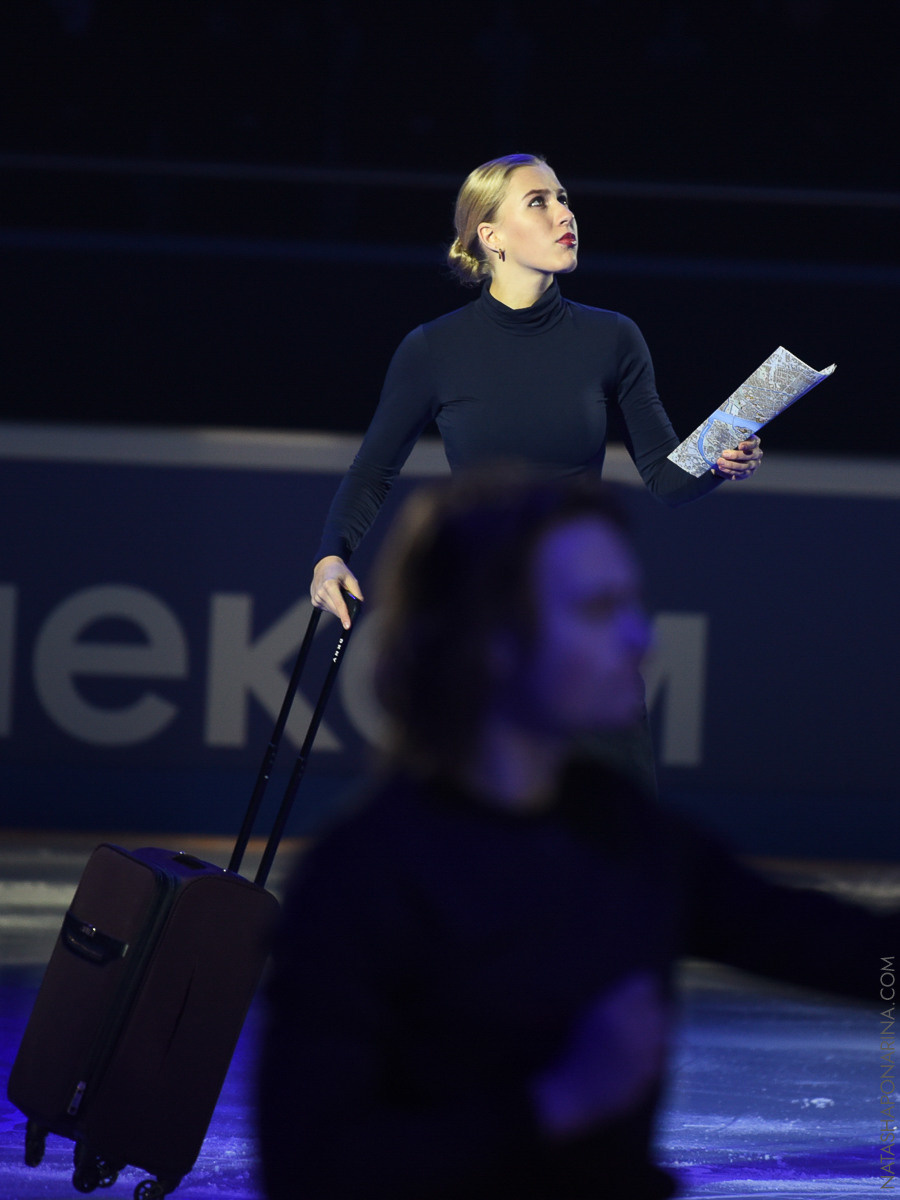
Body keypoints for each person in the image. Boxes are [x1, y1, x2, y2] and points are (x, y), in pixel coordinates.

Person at [259, 468, 896, 1200]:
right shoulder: (365, 877)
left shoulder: (624, 831)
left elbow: (845, 949)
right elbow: (312, 1170)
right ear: (494, 639)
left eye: (632, 603)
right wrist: (559, 1101)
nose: (640, 636)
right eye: (598, 608)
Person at [309, 152, 763, 633]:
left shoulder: (613, 337)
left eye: (562, 199)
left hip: (584, 604)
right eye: (538, 202)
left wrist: (721, 453)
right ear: (491, 236)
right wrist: (329, 557)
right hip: (484, 611)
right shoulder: (432, 349)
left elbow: (666, 480)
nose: (564, 214)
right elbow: (373, 472)